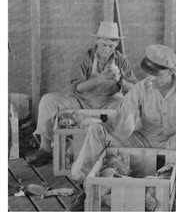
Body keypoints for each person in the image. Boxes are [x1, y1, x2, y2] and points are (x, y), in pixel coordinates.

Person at [68, 44, 176, 211]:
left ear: (171, 71)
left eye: (157, 74)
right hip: (143, 141)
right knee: (96, 130)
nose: (151, 77)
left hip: (172, 143)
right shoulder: (139, 89)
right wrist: (123, 122)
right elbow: (124, 123)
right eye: (149, 72)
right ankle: (85, 186)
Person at [28, 21, 138, 166]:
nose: (107, 49)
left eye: (111, 46)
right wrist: (101, 79)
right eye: (103, 45)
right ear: (96, 41)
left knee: (130, 106)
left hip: (109, 100)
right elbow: (77, 88)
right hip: (82, 99)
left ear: (116, 44)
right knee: (48, 100)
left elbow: (135, 89)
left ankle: (118, 147)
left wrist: (121, 81)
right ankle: (45, 148)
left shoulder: (121, 60)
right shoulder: (85, 58)